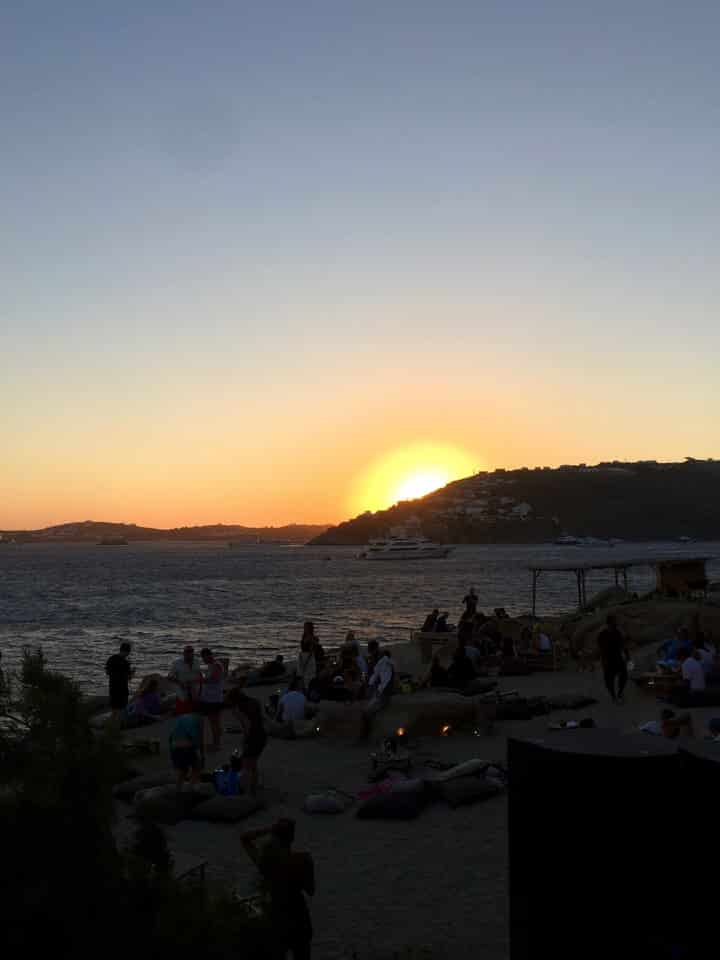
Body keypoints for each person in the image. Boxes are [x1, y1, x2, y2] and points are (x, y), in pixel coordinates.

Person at [241, 819, 315, 960]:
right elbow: (311, 890)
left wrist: (269, 829)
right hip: (299, 917)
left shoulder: (267, 863)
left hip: (277, 918)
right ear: (292, 837)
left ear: (275, 836)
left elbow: (244, 838)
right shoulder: (303, 859)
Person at [227, 686, 267, 795]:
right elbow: (263, 718)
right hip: (262, 735)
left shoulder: (238, 708)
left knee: (246, 766)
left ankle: (247, 791)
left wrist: (245, 739)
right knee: (253, 765)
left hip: (252, 737)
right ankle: (253, 790)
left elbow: (247, 724)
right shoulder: (255, 702)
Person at [361, 648, 395, 738]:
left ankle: (366, 735)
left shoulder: (384, 665)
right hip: (381, 694)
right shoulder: (386, 666)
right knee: (366, 712)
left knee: (367, 713)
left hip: (383, 696)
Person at [169, 710, 204, 791]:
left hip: (175, 745)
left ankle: (178, 788)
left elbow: (171, 736)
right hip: (187, 745)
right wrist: (200, 752)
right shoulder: (199, 719)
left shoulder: (182, 717)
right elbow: (197, 736)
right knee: (197, 766)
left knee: (183, 770)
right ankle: (191, 787)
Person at [597, 615, 629, 704]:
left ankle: (620, 693)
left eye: (615, 622)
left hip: (618, 657)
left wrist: (627, 655)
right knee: (609, 680)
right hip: (608, 658)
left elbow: (622, 644)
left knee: (624, 676)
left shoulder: (617, 632)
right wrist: (603, 661)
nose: (615, 624)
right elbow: (601, 649)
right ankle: (613, 696)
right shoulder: (602, 634)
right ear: (609, 623)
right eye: (614, 622)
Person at [199, 647, 225, 752]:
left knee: (214, 722)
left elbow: (214, 679)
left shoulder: (216, 665)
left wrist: (200, 680)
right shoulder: (211, 666)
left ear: (208, 655)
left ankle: (216, 744)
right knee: (214, 722)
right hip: (210, 698)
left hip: (214, 699)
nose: (203, 660)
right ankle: (216, 743)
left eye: (203, 657)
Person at [168, 645, 202, 715]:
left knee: (196, 700)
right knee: (184, 699)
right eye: (187, 652)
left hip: (194, 685)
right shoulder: (176, 663)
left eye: (191, 652)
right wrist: (180, 683)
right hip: (181, 685)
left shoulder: (197, 661)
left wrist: (200, 684)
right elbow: (170, 677)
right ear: (184, 653)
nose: (189, 654)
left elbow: (199, 674)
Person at [105, 642, 133, 723]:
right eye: (128, 652)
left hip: (113, 687)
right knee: (122, 710)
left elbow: (107, 672)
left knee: (114, 710)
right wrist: (132, 673)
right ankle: (119, 726)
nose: (128, 654)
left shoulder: (111, 659)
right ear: (127, 651)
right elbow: (128, 678)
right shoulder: (126, 663)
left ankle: (111, 726)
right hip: (122, 689)